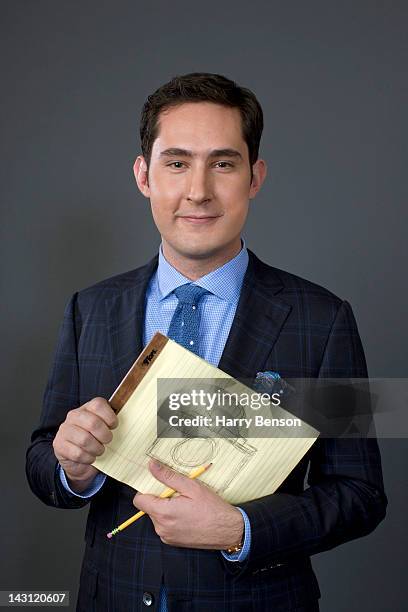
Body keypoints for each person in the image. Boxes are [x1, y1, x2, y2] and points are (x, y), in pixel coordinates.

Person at [26, 73, 387, 612]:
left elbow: (360, 496)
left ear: (254, 177)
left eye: (223, 163)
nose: (198, 190)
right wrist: (71, 469)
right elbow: (43, 461)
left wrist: (239, 528)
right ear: (144, 175)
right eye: (176, 163)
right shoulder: (91, 309)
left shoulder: (324, 319)